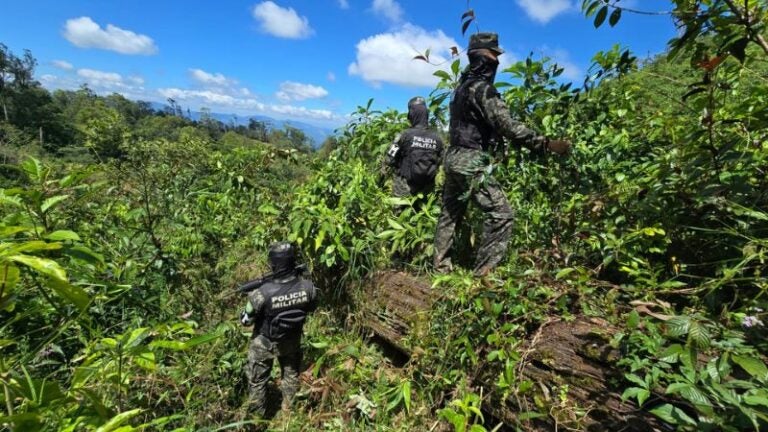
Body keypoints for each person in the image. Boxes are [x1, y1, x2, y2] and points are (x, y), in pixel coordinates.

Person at [433, 32, 571, 277]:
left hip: (452, 157)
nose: (497, 60)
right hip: (470, 160)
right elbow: (507, 126)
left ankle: (440, 269)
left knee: (450, 215)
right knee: (502, 215)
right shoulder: (482, 89)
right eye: (494, 55)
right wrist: (546, 144)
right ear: (483, 58)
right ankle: (482, 277)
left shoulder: (460, 88)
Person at [240, 242, 318, 417]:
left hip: (264, 343)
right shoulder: (308, 287)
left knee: (257, 381)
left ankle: (256, 418)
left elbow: (245, 321)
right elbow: (312, 306)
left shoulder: (262, 293)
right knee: (291, 375)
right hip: (292, 340)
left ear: (274, 264)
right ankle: (289, 413)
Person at [381, 96, 444, 210]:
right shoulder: (437, 138)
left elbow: (389, 159)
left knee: (400, 221)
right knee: (421, 220)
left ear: (412, 114)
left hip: (403, 189)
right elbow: (440, 160)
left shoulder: (404, 135)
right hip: (426, 191)